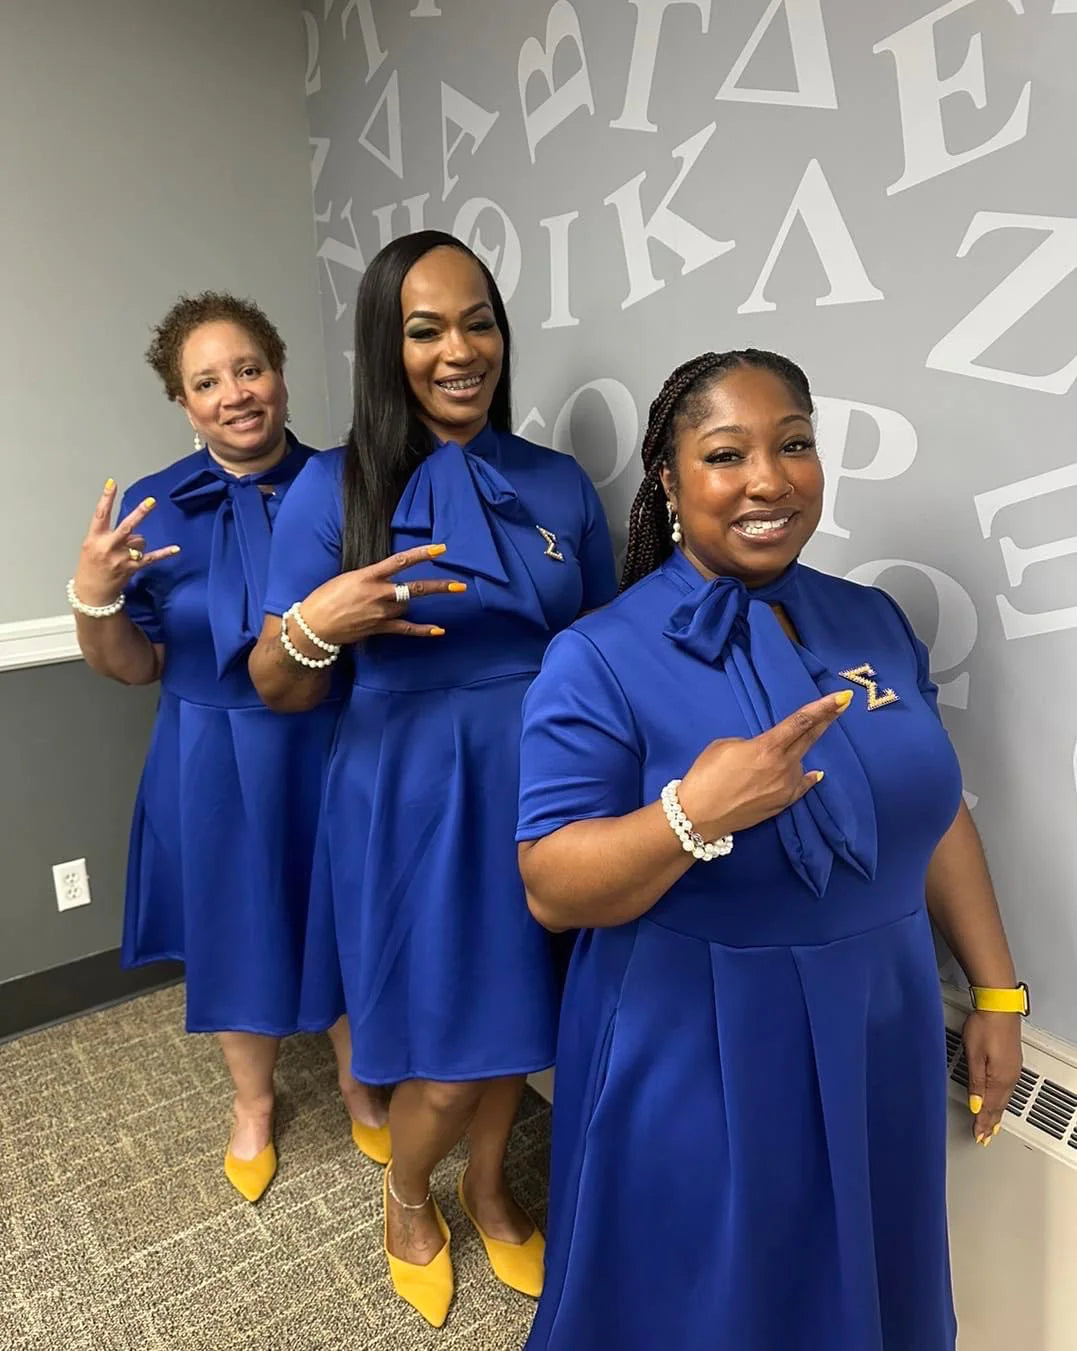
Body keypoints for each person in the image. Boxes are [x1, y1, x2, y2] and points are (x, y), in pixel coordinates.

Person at [515, 349, 1024, 1351]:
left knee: (863, 1282)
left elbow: (929, 810)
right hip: (694, 1033)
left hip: (880, 1012)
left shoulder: (870, 616)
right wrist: (690, 814)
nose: (768, 479)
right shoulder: (599, 655)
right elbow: (550, 887)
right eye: (725, 454)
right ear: (669, 481)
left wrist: (996, 991)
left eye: (793, 444)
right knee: (711, 1303)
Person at [249, 231, 617, 1327]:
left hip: (547, 785)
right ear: (385, 345)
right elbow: (276, 684)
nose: (460, 350)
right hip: (409, 797)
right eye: (425, 330)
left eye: (478, 323)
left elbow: (605, 643)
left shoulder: (556, 481)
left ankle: (491, 1185)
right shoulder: (333, 488)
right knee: (446, 1054)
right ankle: (409, 1194)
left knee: (521, 1017)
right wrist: (320, 620)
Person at [69, 292, 387, 1204]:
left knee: (339, 914)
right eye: (207, 382)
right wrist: (92, 593)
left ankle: (359, 1082)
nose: (235, 393)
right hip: (208, 751)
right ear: (184, 403)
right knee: (230, 923)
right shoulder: (149, 508)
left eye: (250, 368)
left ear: (279, 373)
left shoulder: (351, 483)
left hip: (333, 738)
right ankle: (253, 1101)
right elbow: (132, 665)